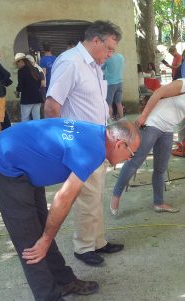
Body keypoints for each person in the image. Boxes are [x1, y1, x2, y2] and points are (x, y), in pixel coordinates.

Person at [0, 118, 140, 301]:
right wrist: (46, 240)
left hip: (26, 164)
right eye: (131, 154)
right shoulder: (92, 150)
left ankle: (63, 281)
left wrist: (46, 237)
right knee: (32, 244)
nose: (128, 159)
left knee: (41, 231)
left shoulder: (97, 135)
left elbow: (69, 194)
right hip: (5, 165)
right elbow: (62, 198)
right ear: (120, 144)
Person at [44, 20, 123, 266]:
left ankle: (97, 241)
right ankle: (84, 246)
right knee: (86, 197)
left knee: (95, 194)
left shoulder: (94, 66)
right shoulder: (70, 62)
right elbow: (51, 106)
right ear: (95, 40)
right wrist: (64, 143)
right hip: (79, 144)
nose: (111, 55)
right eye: (109, 48)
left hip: (97, 140)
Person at [110, 72, 185, 216]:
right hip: (152, 124)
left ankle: (158, 203)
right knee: (135, 162)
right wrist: (144, 115)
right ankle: (115, 197)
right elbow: (158, 93)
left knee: (161, 168)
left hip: (167, 129)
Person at [14, 53, 43, 121]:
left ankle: (26, 131)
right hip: (37, 96)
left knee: (25, 117)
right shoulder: (35, 69)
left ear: (21, 61)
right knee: (37, 117)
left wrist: (17, 91)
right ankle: (37, 131)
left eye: (17, 63)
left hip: (27, 98)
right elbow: (39, 83)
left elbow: (20, 85)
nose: (17, 65)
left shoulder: (21, 71)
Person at [103, 52, 125, 119]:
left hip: (110, 83)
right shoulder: (121, 56)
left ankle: (110, 120)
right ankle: (122, 119)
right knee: (119, 103)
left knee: (109, 103)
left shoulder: (108, 58)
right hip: (120, 82)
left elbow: (101, 67)